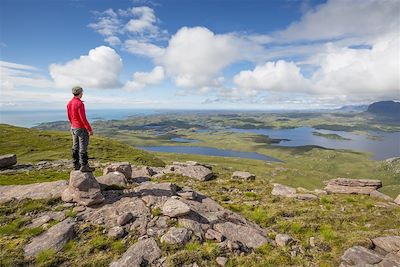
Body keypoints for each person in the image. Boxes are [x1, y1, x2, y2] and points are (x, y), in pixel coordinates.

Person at [67, 86, 95, 172]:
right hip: (81, 128)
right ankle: (84, 166)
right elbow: (83, 118)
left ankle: (76, 164)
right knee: (83, 147)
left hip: (73, 128)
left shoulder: (69, 103)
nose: (82, 93)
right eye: (82, 92)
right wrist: (89, 129)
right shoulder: (79, 104)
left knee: (75, 146)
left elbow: (69, 116)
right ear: (80, 93)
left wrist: (73, 125)